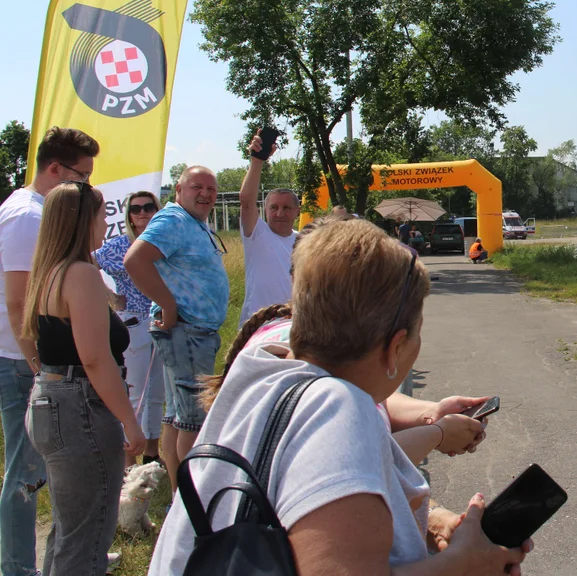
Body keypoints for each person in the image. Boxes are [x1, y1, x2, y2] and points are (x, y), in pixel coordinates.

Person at [149, 219, 530, 575]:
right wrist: (463, 566)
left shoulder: (261, 369)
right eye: (417, 333)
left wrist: (433, 521)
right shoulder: (339, 409)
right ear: (395, 347)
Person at [23, 182, 146, 575]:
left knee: (68, 529)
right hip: (80, 408)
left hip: (51, 400)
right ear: (82, 221)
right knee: (88, 536)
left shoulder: (49, 272)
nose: (105, 224)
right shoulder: (81, 275)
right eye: (101, 215)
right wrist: (129, 419)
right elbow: (95, 359)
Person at [0, 125, 98, 576]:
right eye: (81, 178)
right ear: (55, 169)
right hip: (24, 362)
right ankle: (17, 567)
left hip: (31, 361)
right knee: (26, 471)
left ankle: (58, 556)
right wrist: (40, 366)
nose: (86, 188)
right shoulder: (26, 216)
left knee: (46, 468)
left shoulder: (36, 211)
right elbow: (19, 301)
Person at [124, 166, 228, 489]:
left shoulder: (193, 223)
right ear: (178, 191)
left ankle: (178, 498)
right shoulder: (174, 220)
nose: (206, 194)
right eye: (197, 186)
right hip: (186, 332)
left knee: (177, 418)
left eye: (212, 189)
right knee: (194, 422)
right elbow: (134, 260)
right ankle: (194, 504)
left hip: (192, 334)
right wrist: (168, 305)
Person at [94, 191, 166, 469]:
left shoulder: (164, 242)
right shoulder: (118, 245)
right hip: (134, 322)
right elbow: (85, 261)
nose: (143, 213)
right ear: (129, 216)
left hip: (163, 320)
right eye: (136, 209)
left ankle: (151, 453)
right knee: (135, 392)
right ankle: (128, 461)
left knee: (158, 391)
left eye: (149, 207)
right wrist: (109, 296)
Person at [238, 129, 298, 324]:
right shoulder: (257, 234)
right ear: (265, 210)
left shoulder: (303, 241)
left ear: (297, 211)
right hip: (256, 325)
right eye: (274, 207)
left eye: (286, 207)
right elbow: (246, 201)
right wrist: (256, 162)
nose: (280, 213)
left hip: (292, 325)